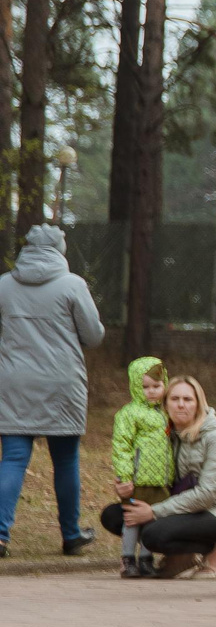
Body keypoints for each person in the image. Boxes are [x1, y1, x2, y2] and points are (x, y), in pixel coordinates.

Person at [0, 224, 104, 557]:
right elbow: (94, 335)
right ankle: (71, 535)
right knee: (66, 460)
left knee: (14, 459)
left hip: (14, 382)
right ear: (59, 249)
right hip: (62, 383)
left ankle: (0, 535)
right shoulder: (73, 285)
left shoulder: (4, 285)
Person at [105, 374, 216, 578]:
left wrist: (153, 512)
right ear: (165, 403)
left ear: (198, 404)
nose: (181, 405)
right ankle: (184, 553)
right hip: (178, 506)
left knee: (152, 533)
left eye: (188, 399)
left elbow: (208, 493)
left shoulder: (215, 437)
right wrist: (125, 486)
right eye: (175, 399)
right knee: (113, 515)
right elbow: (145, 471)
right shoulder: (162, 435)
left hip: (215, 512)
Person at [106, 358, 175, 577]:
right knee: (132, 520)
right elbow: (122, 446)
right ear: (136, 386)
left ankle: (146, 558)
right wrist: (125, 476)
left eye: (156, 386)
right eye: (145, 387)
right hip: (137, 480)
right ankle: (127, 559)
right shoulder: (129, 413)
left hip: (161, 480)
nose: (152, 392)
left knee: (151, 520)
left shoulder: (167, 413)